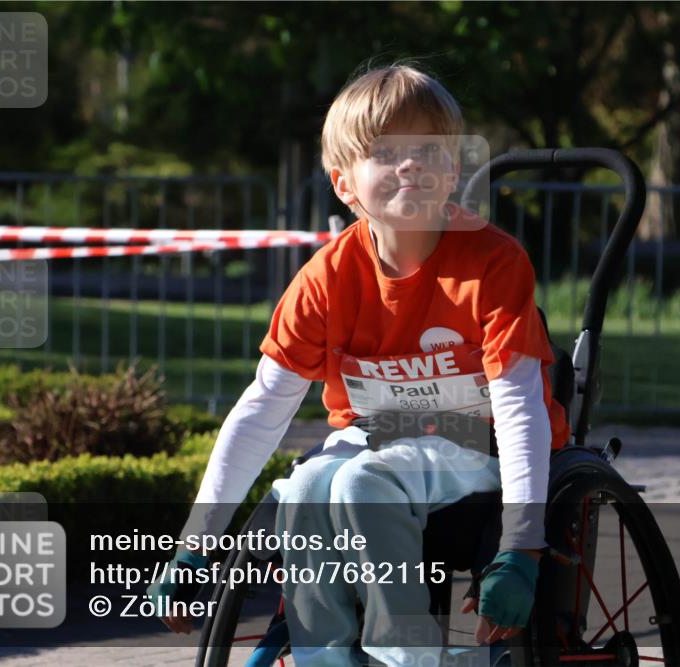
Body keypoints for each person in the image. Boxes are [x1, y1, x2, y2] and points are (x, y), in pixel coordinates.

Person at [149, 63, 570, 667]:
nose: (410, 164)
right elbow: (263, 409)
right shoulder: (326, 278)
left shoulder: (494, 263)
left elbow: (519, 407)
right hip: (381, 442)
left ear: (452, 169)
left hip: (483, 441)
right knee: (304, 487)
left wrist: (522, 547)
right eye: (385, 152)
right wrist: (195, 544)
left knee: (357, 481)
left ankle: (408, 659)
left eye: (429, 148)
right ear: (344, 184)